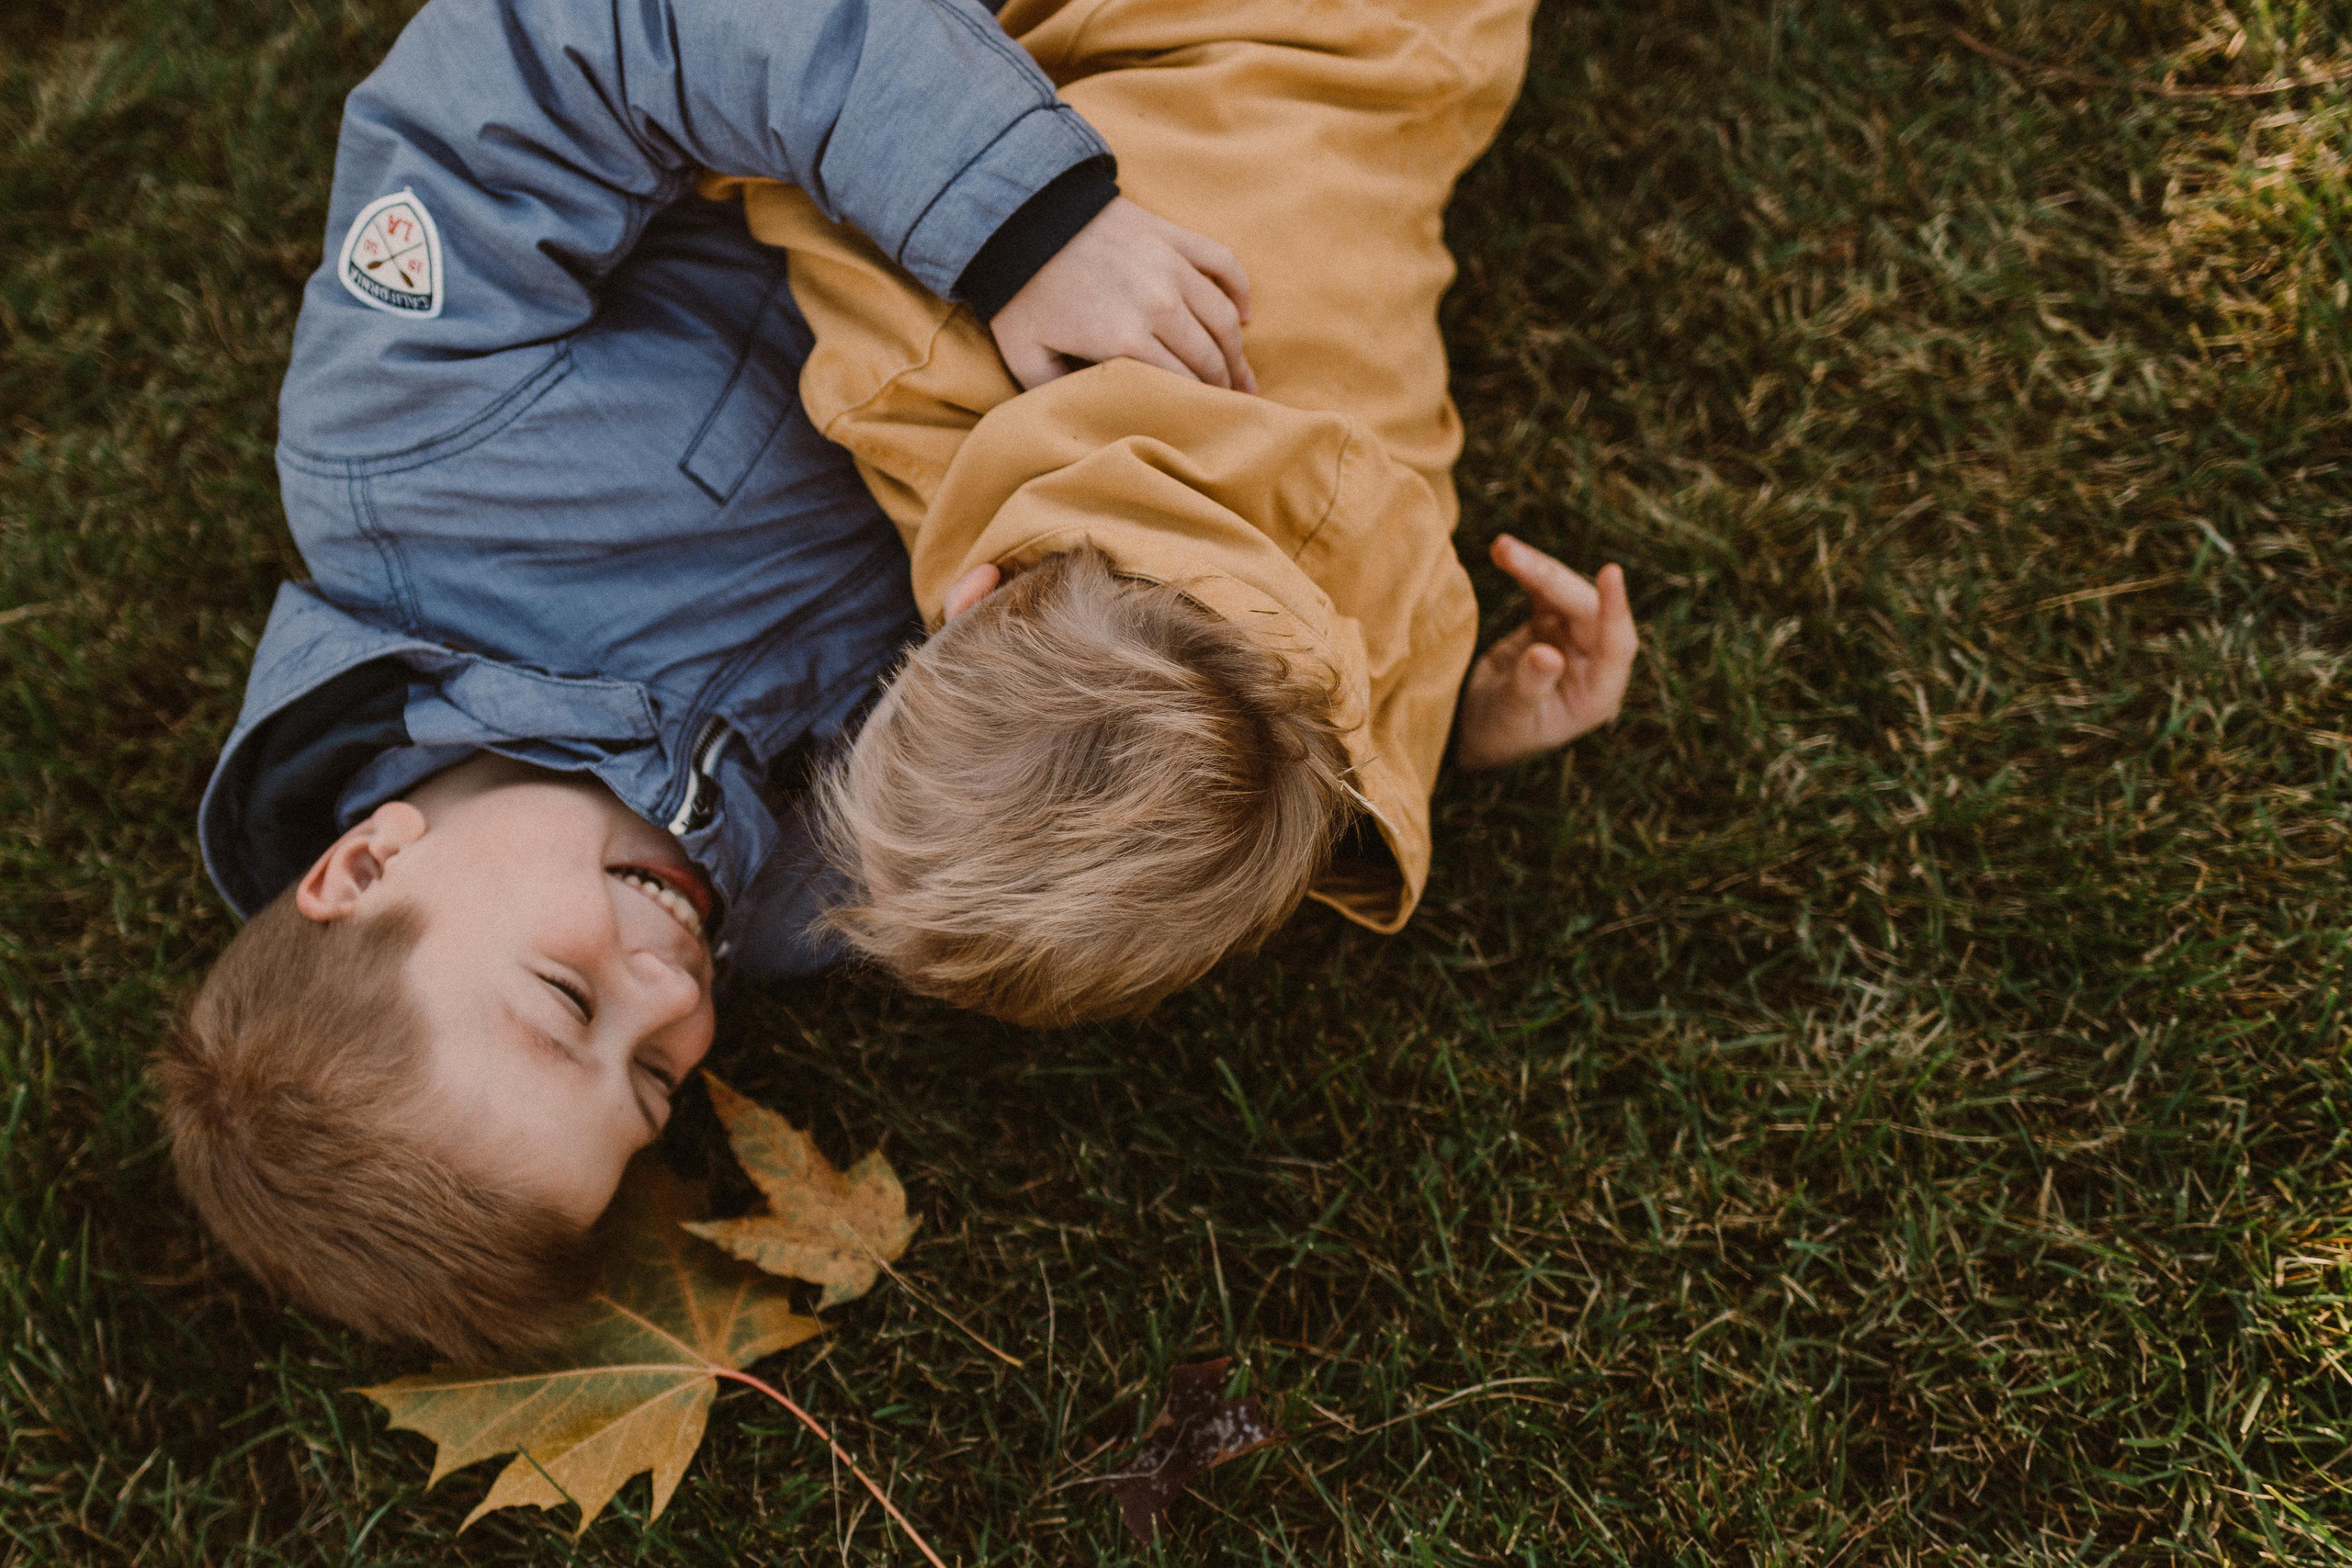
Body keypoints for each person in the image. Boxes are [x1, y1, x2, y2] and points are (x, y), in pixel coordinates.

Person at [156, 0, 1272, 1362]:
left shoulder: (409, 451)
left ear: (365, 866)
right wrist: (1411, 724)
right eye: (649, 1081)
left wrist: (1019, 222)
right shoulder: (813, 898)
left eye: (570, 1001)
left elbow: (587, 35)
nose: (676, 994)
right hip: (1207, 242)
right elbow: (1154, 750)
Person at [711, 0, 1638, 1026]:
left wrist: (1468, 726)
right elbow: (790, 152)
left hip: (1427, 51)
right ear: (971, 600)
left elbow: (1364, 713)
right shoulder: (909, 363)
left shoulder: (1375, 580)